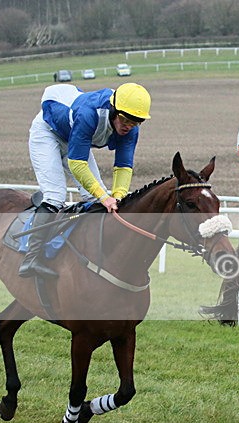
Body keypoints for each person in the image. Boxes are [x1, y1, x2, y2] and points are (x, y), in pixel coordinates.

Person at [19, 82, 152, 278]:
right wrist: (104, 197)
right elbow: (77, 163)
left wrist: (118, 196)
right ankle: (31, 258)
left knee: (94, 197)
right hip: (48, 133)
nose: (128, 126)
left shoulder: (130, 127)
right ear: (114, 110)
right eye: (125, 120)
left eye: (136, 122)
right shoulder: (88, 114)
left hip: (74, 138)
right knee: (56, 196)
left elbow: (123, 166)